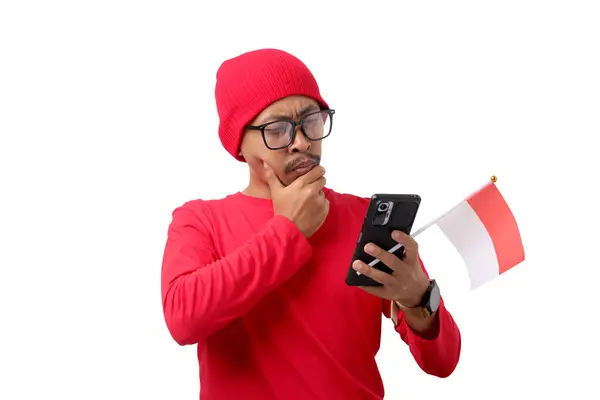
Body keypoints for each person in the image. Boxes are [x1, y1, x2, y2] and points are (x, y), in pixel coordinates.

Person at [160, 48, 462, 400]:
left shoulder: (361, 218)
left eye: (312, 121)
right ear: (239, 143)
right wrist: (287, 231)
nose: (301, 142)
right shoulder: (200, 220)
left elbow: (443, 362)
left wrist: (419, 299)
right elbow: (182, 320)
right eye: (277, 130)